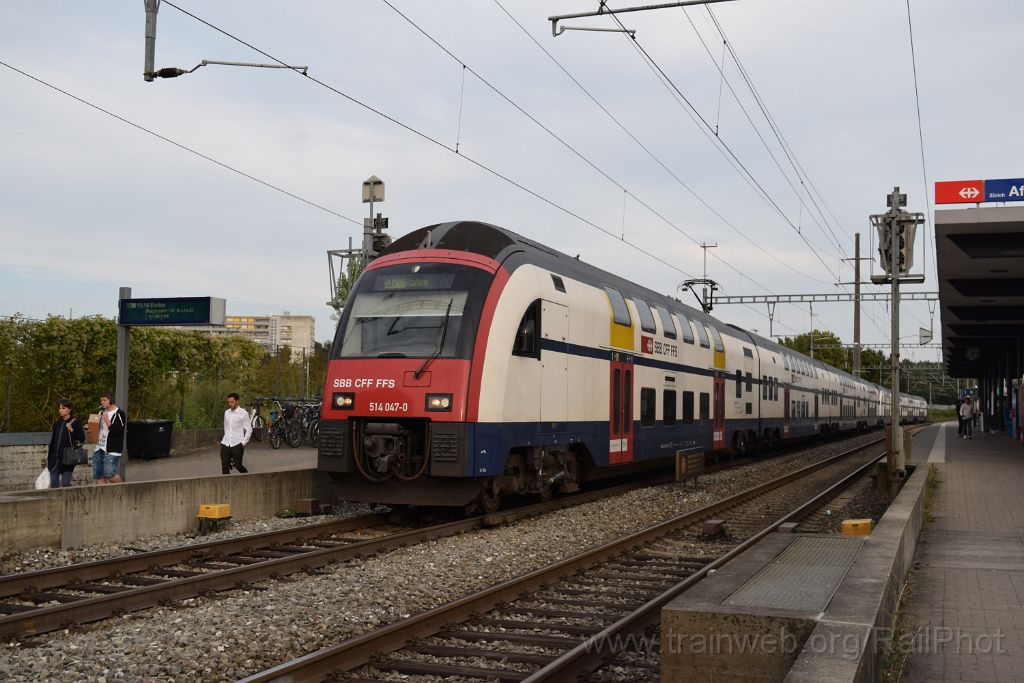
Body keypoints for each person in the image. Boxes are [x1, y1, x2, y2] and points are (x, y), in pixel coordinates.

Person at [46, 399, 86, 488]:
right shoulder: (57, 423)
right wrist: (49, 459)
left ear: (70, 409)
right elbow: (53, 442)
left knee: (65, 483)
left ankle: (71, 498)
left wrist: (72, 430)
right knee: (54, 484)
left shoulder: (76, 422)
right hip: (55, 459)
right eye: (60, 408)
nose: (60, 410)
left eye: (63, 408)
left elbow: (82, 439)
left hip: (68, 459)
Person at [93, 391, 126, 484]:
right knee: (98, 475)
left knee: (109, 475)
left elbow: (118, 431)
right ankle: (103, 498)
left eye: (104, 400)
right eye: (101, 400)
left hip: (112, 449)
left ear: (111, 401)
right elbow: (98, 428)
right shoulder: (101, 412)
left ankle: (123, 490)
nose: (102, 402)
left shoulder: (119, 414)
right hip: (99, 447)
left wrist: (107, 420)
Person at [220, 392, 251, 474]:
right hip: (226, 443)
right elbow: (226, 427)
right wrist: (226, 437)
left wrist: (244, 442)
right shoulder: (226, 412)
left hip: (237, 443)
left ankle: (247, 477)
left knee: (238, 466)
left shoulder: (244, 414)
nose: (230, 404)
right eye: (229, 402)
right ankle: (227, 484)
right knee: (224, 465)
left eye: (232, 402)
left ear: (237, 401)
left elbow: (249, 429)